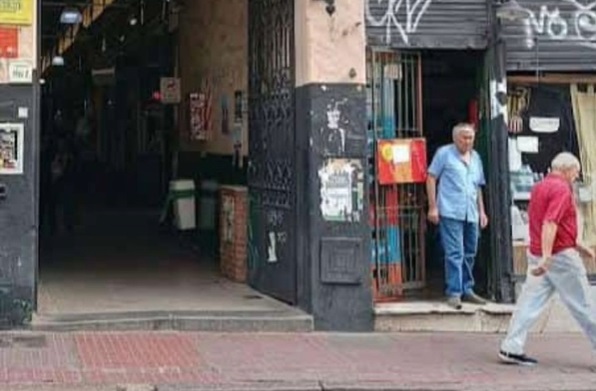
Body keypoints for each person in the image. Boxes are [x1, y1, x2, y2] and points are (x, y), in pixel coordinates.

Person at [499, 152, 596, 366]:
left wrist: (577, 245)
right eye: (576, 172)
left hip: (538, 254)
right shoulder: (561, 188)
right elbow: (550, 223)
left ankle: (511, 346)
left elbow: (548, 221)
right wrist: (547, 255)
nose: (576, 176)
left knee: (528, 302)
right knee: (585, 303)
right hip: (558, 256)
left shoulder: (540, 186)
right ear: (567, 169)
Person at [426, 122, 489, 309]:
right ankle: (454, 292)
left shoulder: (476, 157)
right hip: (450, 211)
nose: (468, 141)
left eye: (471, 138)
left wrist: (482, 211)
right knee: (455, 253)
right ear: (455, 138)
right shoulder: (444, 154)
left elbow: (477, 186)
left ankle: (467, 289)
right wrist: (432, 207)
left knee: (470, 251)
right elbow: (431, 178)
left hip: (471, 212)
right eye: (464, 137)